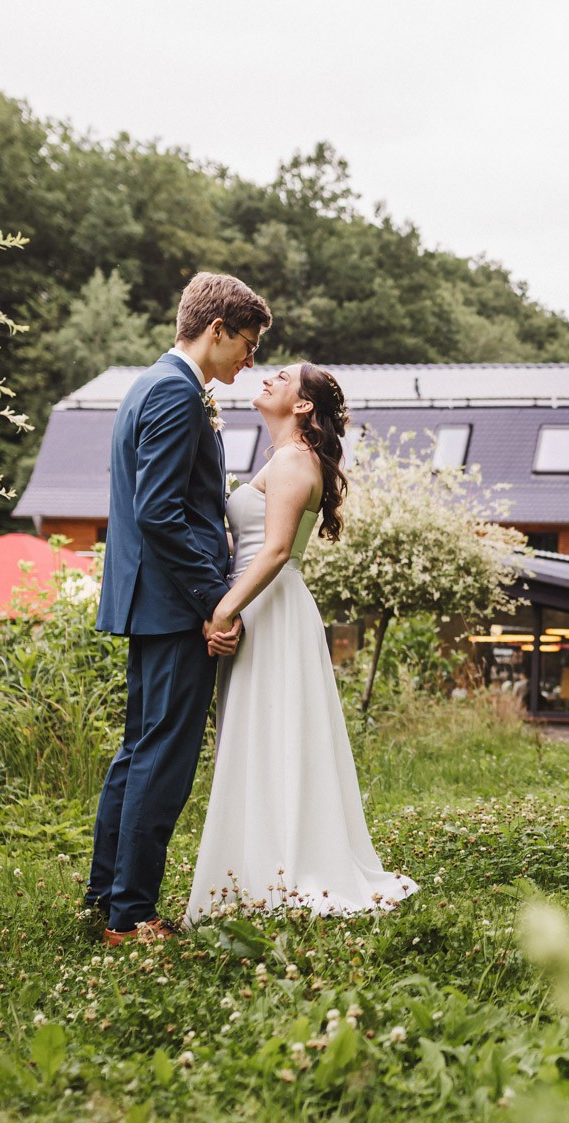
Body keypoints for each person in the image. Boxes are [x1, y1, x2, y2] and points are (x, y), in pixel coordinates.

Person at [185, 364, 420, 921]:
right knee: (262, 735)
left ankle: (280, 872)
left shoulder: (293, 460)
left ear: (303, 406)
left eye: (282, 377)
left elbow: (275, 551)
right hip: (260, 605)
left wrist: (222, 611)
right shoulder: (283, 458)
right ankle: (259, 869)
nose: (266, 378)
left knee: (273, 736)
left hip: (267, 607)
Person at [89, 273, 269, 946]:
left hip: (152, 601)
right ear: (215, 329)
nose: (248, 364)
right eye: (246, 346)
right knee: (162, 761)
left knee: (139, 753)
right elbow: (160, 512)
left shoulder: (150, 384)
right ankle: (130, 916)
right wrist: (214, 601)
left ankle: (107, 894)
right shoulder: (175, 393)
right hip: (173, 605)